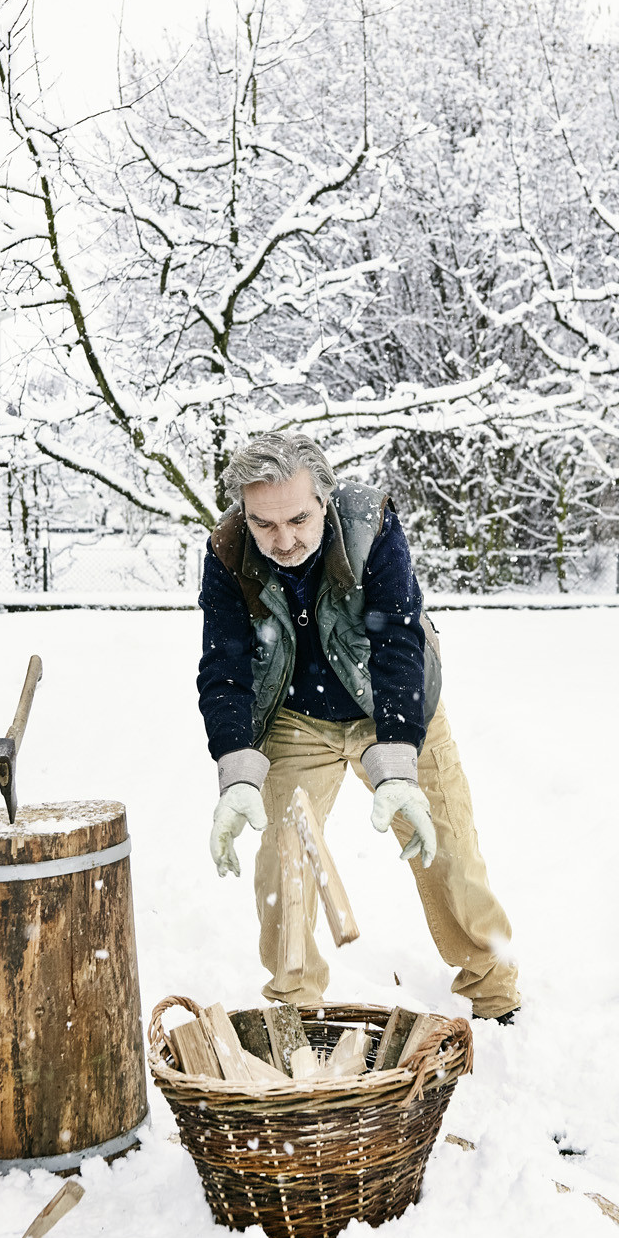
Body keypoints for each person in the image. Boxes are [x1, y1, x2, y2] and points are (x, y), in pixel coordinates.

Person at [196, 431, 521, 1021]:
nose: (284, 539)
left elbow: (400, 641)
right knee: (285, 853)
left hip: (391, 703)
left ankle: (494, 992)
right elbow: (224, 666)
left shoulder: (370, 526)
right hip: (297, 719)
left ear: (324, 499)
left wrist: (397, 759)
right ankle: (293, 1006)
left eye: (298, 518)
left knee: (445, 845)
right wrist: (238, 773)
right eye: (265, 524)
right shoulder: (227, 549)